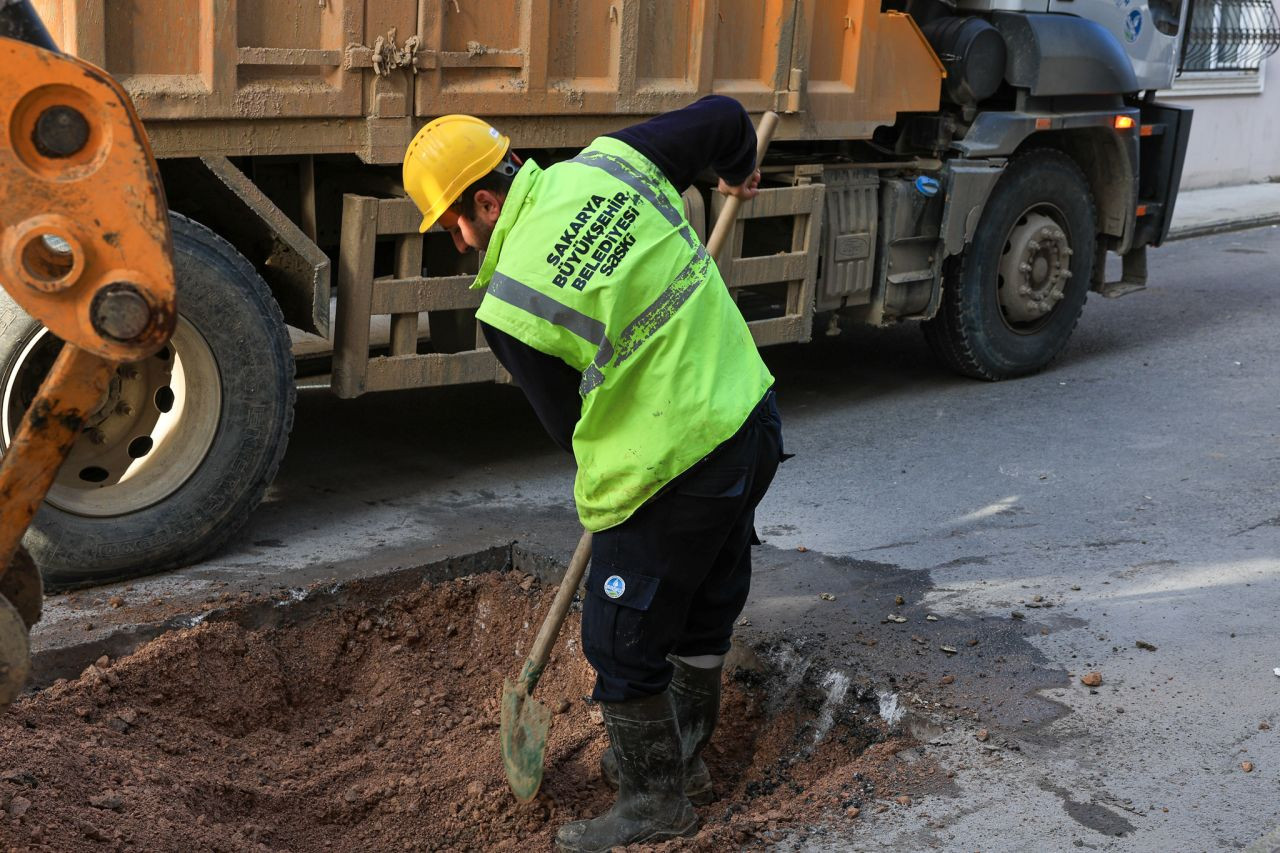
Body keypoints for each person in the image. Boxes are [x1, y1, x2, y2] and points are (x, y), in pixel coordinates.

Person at [402, 95, 785, 852]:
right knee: (706, 595)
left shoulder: (508, 301)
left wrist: (612, 501)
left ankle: (655, 803)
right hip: (750, 420)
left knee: (619, 636)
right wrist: (738, 172)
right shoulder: (615, 160)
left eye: (453, 224)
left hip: (671, 466)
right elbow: (726, 119)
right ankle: (683, 758)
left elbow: (567, 426)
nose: (458, 243)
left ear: (486, 199)